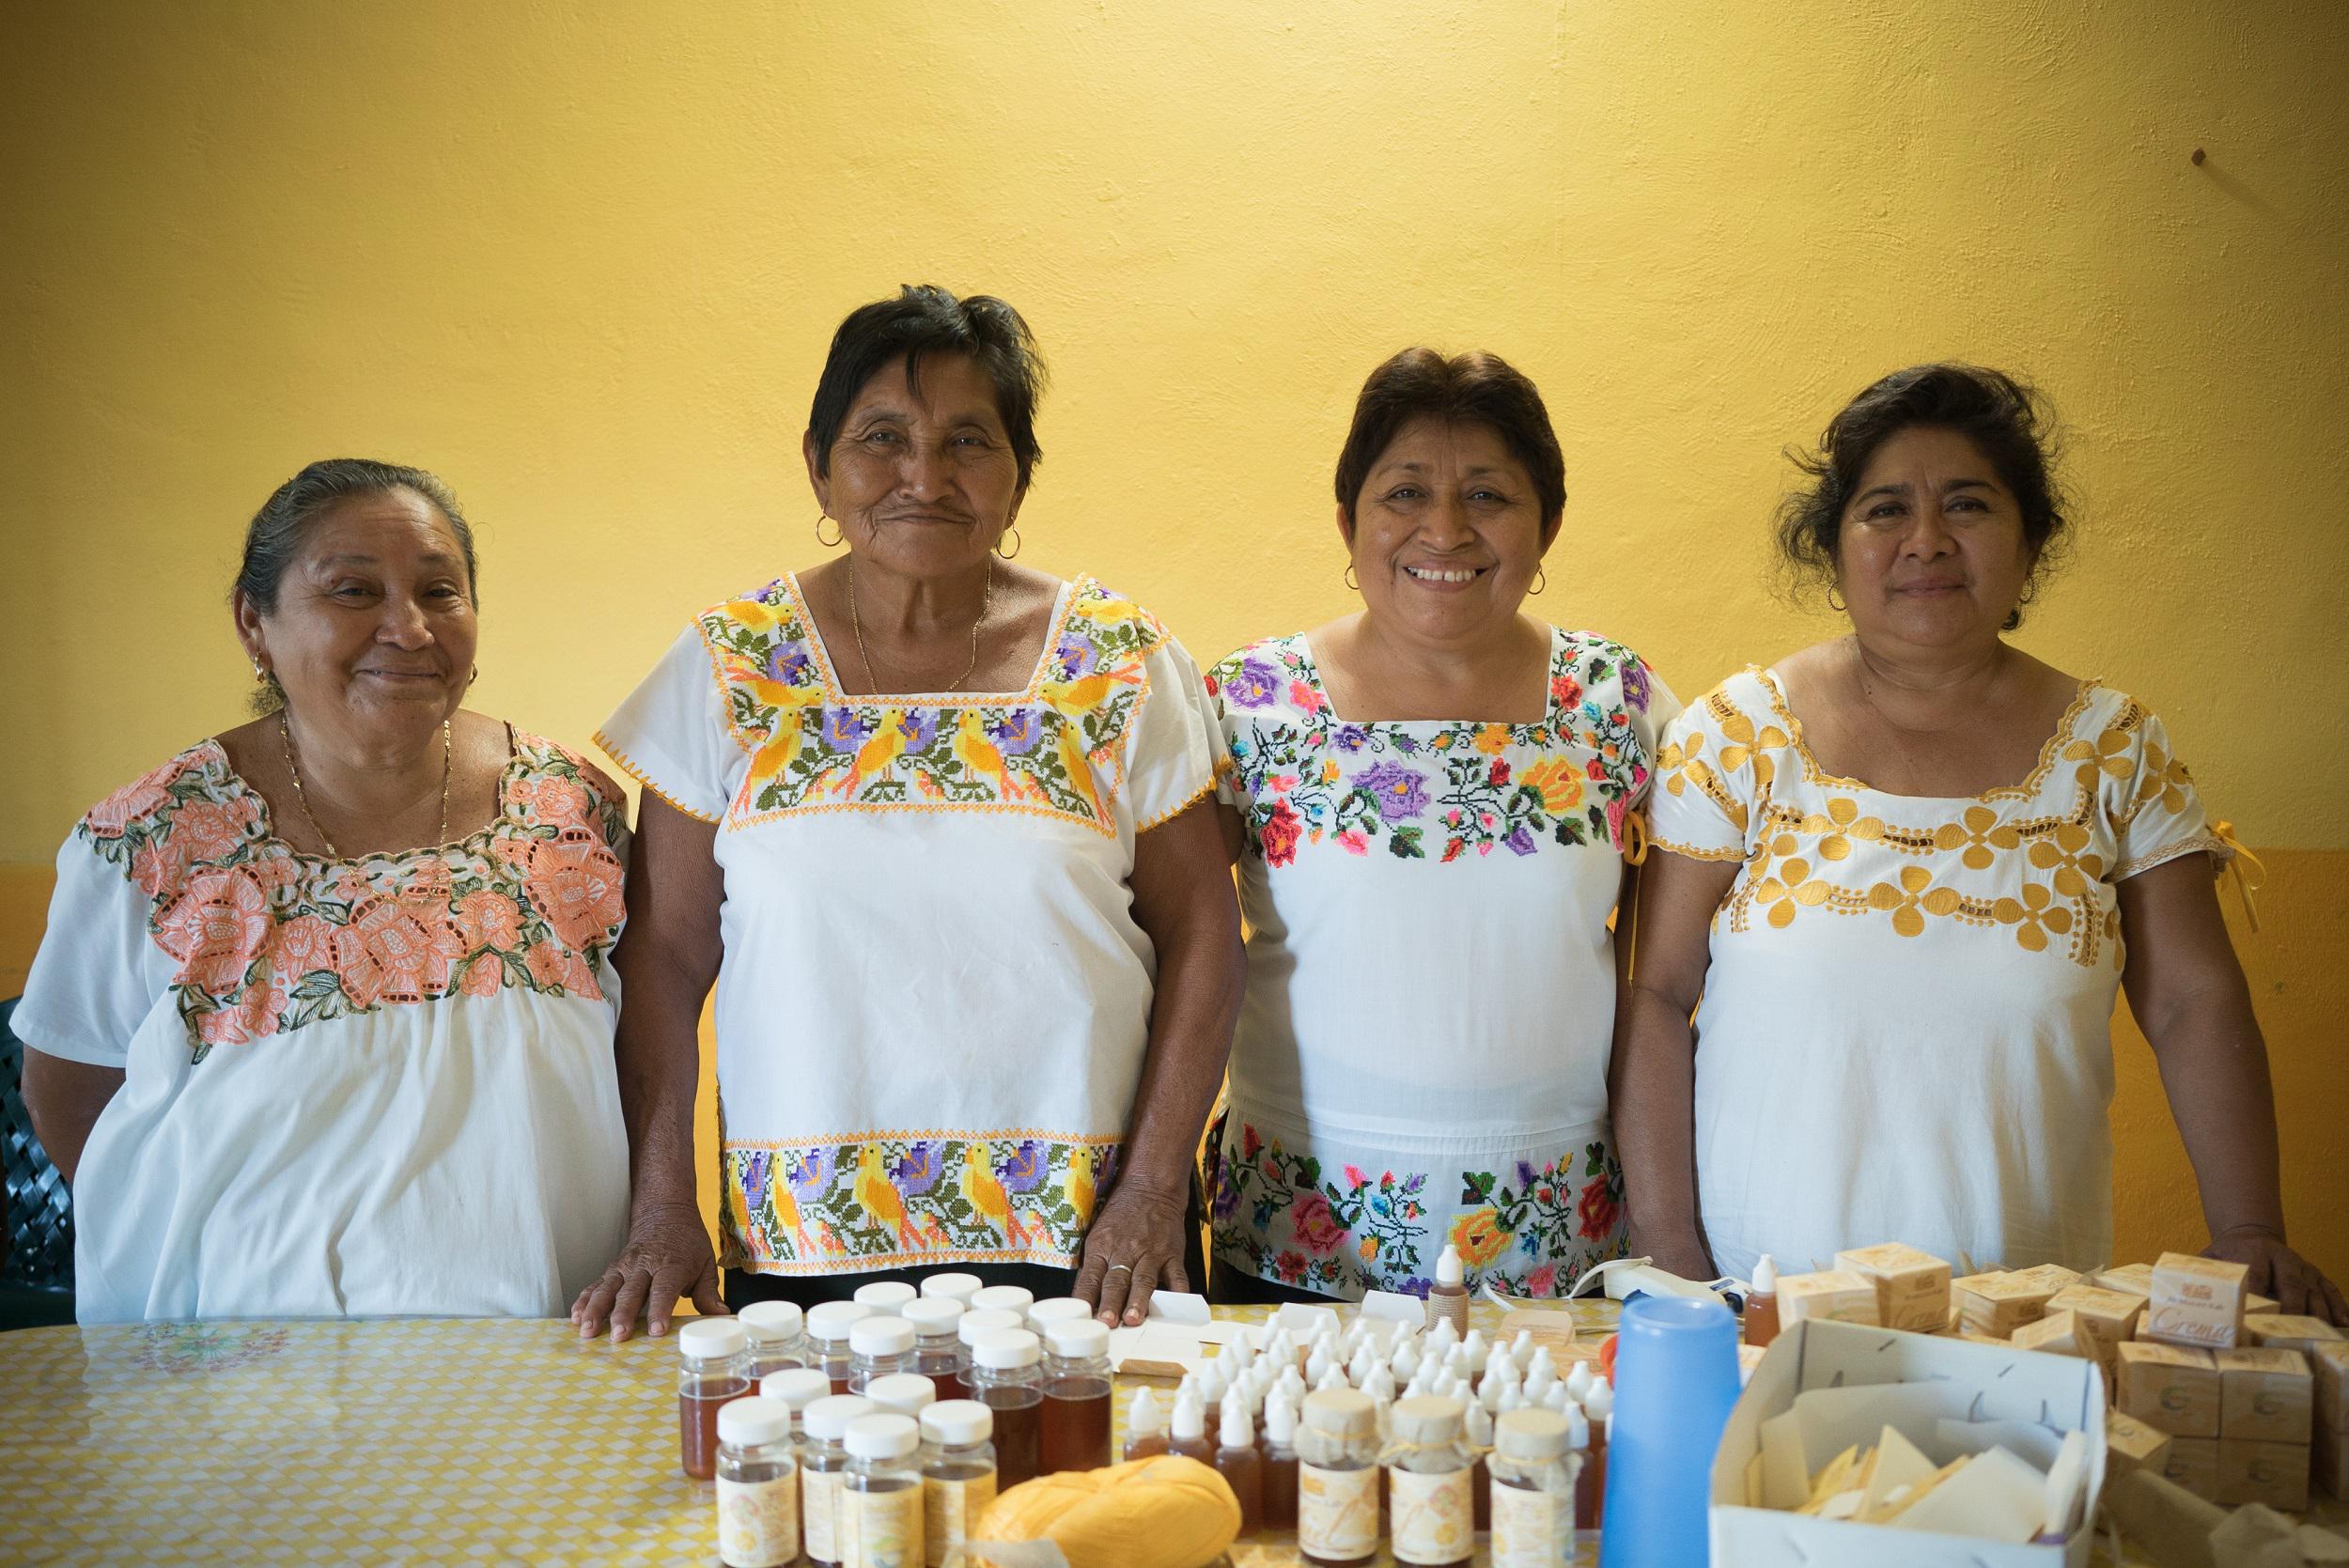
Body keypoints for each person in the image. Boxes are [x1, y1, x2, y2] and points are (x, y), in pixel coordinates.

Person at [575, 285, 1241, 1338]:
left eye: (967, 441)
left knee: (1089, 1503)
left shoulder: (1120, 664)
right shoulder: (728, 668)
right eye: (882, 438)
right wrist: (664, 1206)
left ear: (1018, 472)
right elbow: (661, 957)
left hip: (1092, 1249)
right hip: (804, 1247)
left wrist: (1155, 1188)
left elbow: (1205, 934)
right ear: (819, 465)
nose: (923, 477)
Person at [1617, 364, 2345, 1321]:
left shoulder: (2112, 751)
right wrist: (1672, 1255)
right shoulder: (1736, 737)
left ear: (2030, 544)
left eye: (1967, 504)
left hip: (2024, 1317)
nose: (1926, 540)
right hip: (1757, 1303)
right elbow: (1658, 994)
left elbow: (2190, 1002)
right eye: (1884, 510)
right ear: (1832, 551)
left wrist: (2248, 1224)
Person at [17, 459, 631, 1321]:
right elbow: (68, 1083)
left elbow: (640, 1053)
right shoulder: (151, 839)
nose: (408, 628)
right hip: (238, 1368)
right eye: (351, 591)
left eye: (440, 592)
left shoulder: (574, 814)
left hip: (536, 1339)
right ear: (253, 622)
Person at [1203, 348, 1679, 1303]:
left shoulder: (1615, 702)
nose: (1445, 529)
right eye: (1404, 492)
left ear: (1547, 524)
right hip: (1300, 1236)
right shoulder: (1250, 702)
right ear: (1348, 521)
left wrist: (1674, 1230)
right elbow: (1173, 948)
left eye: (1489, 496)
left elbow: (1658, 984)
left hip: (1558, 1239)